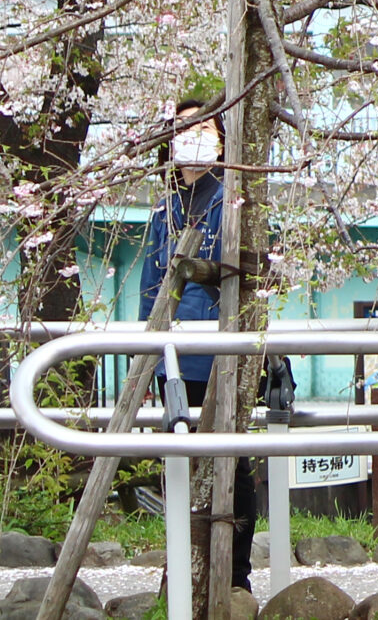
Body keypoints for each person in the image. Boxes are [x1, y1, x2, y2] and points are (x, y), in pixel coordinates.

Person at [139, 99, 254, 591]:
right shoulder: (164, 211)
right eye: (182, 128)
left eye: (203, 127)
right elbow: (149, 290)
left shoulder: (230, 199)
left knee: (232, 464)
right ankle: (184, 571)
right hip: (174, 359)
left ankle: (235, 574)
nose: (192, 137)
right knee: (180, 468)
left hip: (219, 354)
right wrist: (143, 365)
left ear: (222, 138)